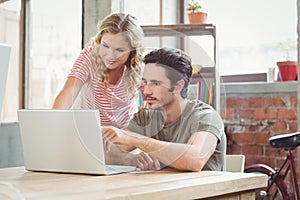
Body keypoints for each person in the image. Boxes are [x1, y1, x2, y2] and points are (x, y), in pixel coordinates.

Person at [103, 47, 226, 172]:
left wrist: (136, 139)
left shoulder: (205, 116)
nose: (146, 91)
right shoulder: (146, 117)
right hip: (163, 188)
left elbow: (195, 159)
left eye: (156, 83)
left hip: (205, 190)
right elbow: (106, 153)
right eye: (145, 82)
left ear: (178, 86)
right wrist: (128, 159)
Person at [52, 13, 144, 129]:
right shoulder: (89, 57)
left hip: (124, 134)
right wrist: (53, 124)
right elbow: (69, 91)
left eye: (119, 50)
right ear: (100, 40)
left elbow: (151, 101)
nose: (110, 55)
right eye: (105, 46)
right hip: (89, 130)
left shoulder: (139, 65)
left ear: (132, 50)